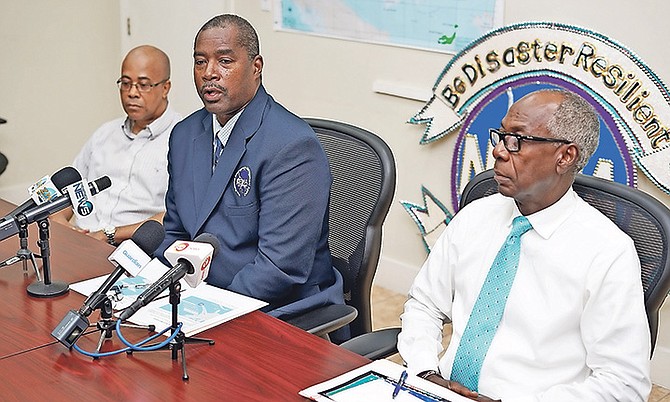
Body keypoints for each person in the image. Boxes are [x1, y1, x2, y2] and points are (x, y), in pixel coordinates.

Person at [397, 89, 651, 401]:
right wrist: (426, 373)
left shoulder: (607, 252)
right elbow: (424, 304)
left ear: (565, 156)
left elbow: (623, 383)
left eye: (517, 139)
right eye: (501, 136)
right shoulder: (475, 216)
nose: (499, 152)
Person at [157, 14, 345, 325]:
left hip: (274, 309)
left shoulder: (292, 146)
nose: (209, 73)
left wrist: (210, 310)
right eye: (200, 62)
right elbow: (175, 232)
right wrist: (162, 292)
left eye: (225, 61)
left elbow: (278, 268)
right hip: (195, 300)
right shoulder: (184, 135)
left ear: (256, 67)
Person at [52, 45, 181, 245]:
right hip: (83, 242)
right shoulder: (104, 134)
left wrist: (109, 234)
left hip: (136, 250)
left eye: (144, 85)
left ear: (165, 88)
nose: (132, 93)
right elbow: (70, 187)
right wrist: (60, 220)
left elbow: (178, 214)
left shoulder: (183, 139)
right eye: (126, 83)